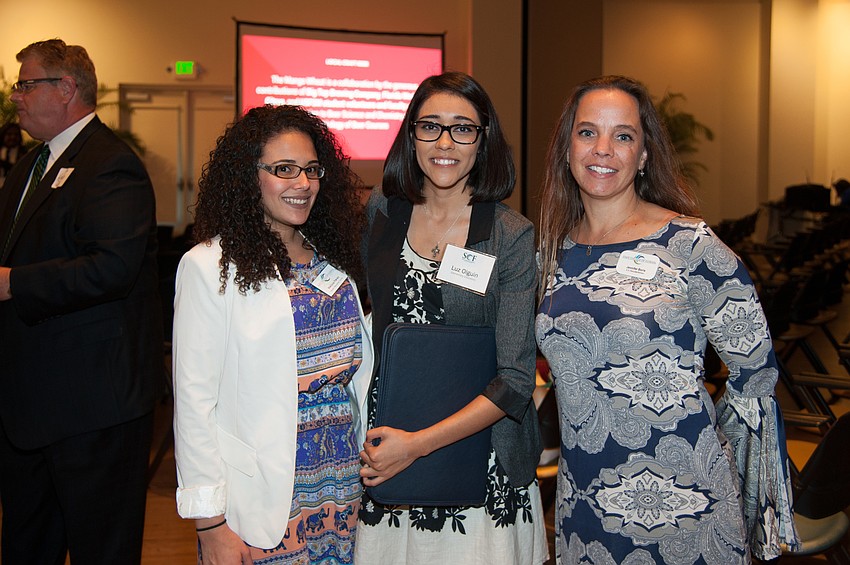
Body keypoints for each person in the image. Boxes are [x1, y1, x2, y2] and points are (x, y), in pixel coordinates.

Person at [536, 75, 799, 564]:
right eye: (588, 132)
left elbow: (755, 372)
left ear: (643, 155)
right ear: (567, 148)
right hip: (585, 502)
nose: (603, 149)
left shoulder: (690, 245)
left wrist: (710, 452)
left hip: (684, 504)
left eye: (623, 135)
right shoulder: (552, 252)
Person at [357, 71, 548, 564]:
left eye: (462, 128)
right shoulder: (381, 213)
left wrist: (417, 445)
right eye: (430, 126)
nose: (445, 143)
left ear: (483, 140)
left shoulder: (509, 234)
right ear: (411, 135)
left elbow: (515, 381)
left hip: (480, 459)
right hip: (389, 449)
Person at [173, 104, 374, 564]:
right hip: (262, 499)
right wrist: (210, 524)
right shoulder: (209, 267)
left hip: (342, 485)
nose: (302, 183)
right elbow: (193, 404)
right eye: (284, 169)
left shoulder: (333, 260)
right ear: (249, 176)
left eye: (311, 170)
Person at [0, 39, 162, 564]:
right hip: (29, 409)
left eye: (26, 84)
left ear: (66, 88)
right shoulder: (30, 165)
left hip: (94, 408)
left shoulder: (111, 164)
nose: (16, 96)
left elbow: (110, 268)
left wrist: (14, 283)